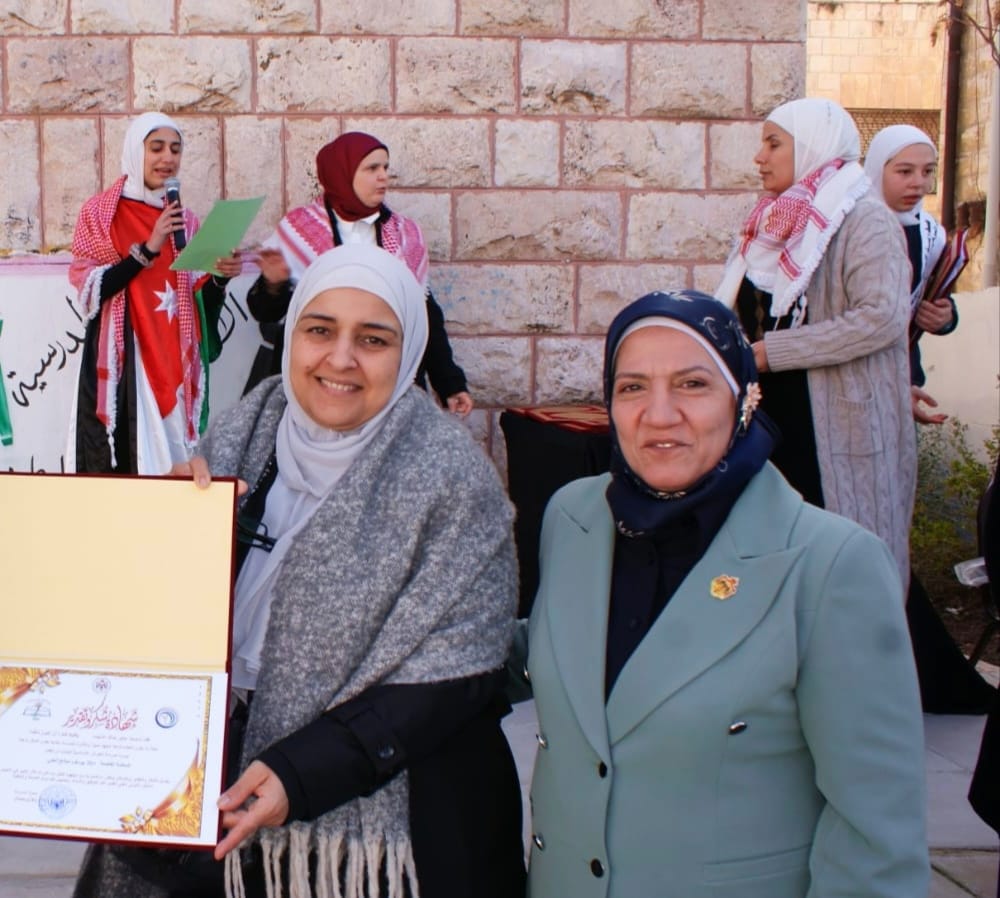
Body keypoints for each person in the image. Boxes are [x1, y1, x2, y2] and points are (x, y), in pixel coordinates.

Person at [72, 244, 524, 898]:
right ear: (293, 338)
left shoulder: (454, 481)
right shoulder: (244, 433)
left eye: (373, 339)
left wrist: (302, 772)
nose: (340, 359)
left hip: (375, 835)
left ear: (408, 353)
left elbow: (455, 669)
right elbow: (160, 622)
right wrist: (167, 532)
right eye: (319, 330)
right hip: (199, 800)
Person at [524, 289, 930, 898]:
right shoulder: (573, 517)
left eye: (692, 384)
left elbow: (876, 835)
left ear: (744, 396)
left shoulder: (830, 565)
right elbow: (554, 651)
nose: (659, 414)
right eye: (633, 387)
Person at [716, 97, 915, 588]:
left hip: (837, 425)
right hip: (776, 420)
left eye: (773, 144)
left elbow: (881, 317)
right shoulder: (773, 222)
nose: (760, 157)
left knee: (842, 567)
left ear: (811, 148)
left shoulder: (863, 219)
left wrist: (771, 353)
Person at [243, 131, 473, 415]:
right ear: (343, 173)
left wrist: (450, 384)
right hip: (320, 386)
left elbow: (423, 315)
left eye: (385, 167)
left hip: (388, 388)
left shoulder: (403, 233)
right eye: (372, 168)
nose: (383, 177)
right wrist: (274, 285)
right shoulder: (299, 231)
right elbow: (265, 312)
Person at [68, 111, 243, 475]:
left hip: (172, 358)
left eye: (175, 150)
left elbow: (198, 304)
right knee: (128, 464)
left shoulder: (186, 221)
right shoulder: (101, 214)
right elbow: (90, 289)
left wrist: (220, 278)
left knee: (174, 466)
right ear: (136, 151)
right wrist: (148, 249)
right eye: (157, 148)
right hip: (126, 359)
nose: (168, 158)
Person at [863, 123, 958, 425]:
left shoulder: (930, 234)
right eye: (904, 172)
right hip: (853, 382)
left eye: (928, 172)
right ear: (877, 169)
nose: (919, 183)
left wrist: (945, 317)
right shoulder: (849, 227)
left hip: (905, 382)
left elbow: (937, 296)